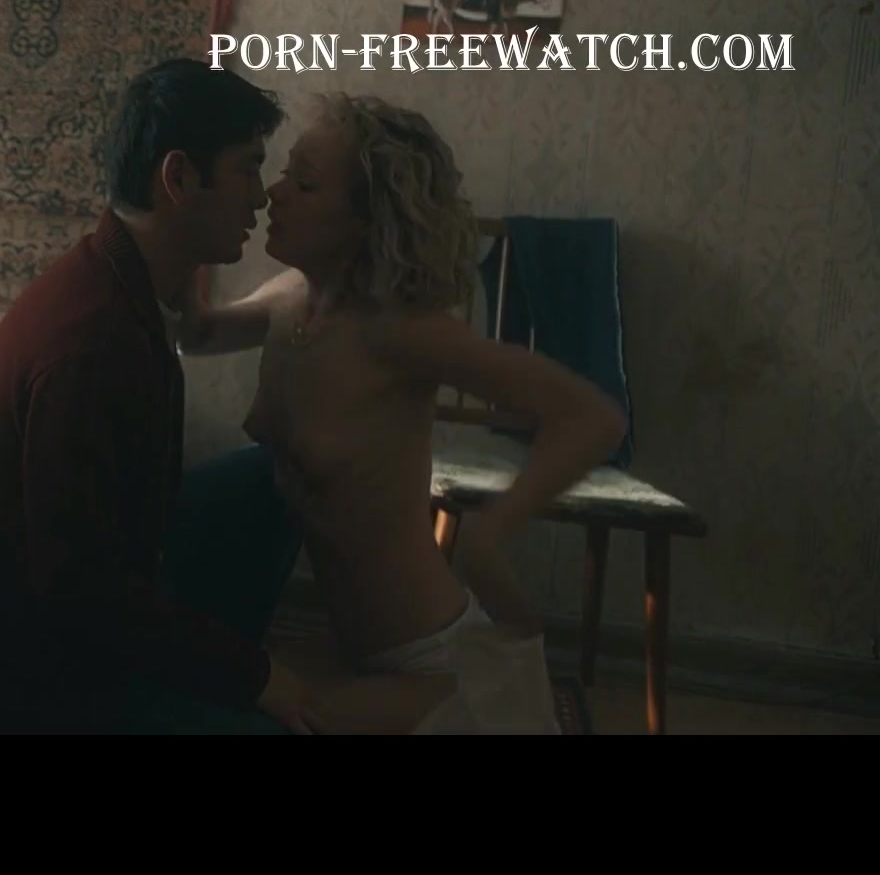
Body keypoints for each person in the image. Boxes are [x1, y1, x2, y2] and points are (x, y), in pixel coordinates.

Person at [177, 92, 629, 733]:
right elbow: (194, 335)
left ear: (367, 221)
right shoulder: (289, 300)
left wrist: (490, 533)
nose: (274, 193)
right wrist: (186, 219)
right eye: (282, 173)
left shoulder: (399, 331)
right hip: (359, 656)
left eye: (304, 183)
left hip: (438, 666)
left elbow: (593, 417)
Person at [0, 57, 323, 736]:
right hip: (44, 678)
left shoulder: (130, 279)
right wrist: (260, 679)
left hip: (104, 591)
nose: (261, 199)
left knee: (272, 475)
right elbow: (79, 589)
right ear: (179, 178)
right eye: (248, 169)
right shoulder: (93, 340)